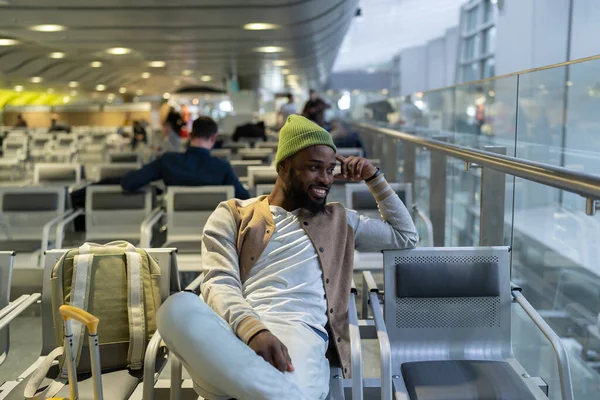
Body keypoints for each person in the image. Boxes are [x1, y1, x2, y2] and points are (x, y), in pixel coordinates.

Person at [156, 115, 418, 399]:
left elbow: (405, 236)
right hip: (235, 329)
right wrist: (253, 331)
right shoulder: (234, 214)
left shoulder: (339, 220)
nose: (325, 180)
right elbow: (220, 283)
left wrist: (373, 177)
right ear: (283, 167)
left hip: (299, 332)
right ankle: (273, 390)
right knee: (176, 307)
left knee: (279, 382)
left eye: (330, 170)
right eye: (314, 168)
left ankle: (259, 389)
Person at [121, 116, 250, 199]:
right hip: (215, 235)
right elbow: (245, 199)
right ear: (213, 138)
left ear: (190, 135)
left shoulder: (168, 161)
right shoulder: (222, 168)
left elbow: (128, 182)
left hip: (175, 232)